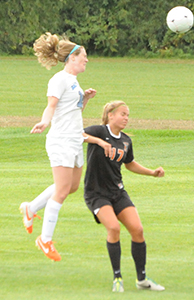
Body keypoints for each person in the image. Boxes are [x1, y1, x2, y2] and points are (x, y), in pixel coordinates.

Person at [19, 32, 111, 262]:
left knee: (70, 187)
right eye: (84, 56)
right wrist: (44, 121)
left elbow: (71, 111)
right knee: (61, 191)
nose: (87, 60)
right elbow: (51, 106)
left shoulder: (73, 81)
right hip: (60, 140)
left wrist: (86, 99)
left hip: (74, 139)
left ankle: (31, 208)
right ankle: (45, 240)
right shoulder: (59, 79)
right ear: (72, 58)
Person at [83, 100, 165, 292]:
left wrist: (152, 172)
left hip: (117, 192)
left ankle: (142, 280)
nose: (126, 118)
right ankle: (117, 277)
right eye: (123, 114)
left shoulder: (126, 140)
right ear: (110, 115)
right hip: (96, 193)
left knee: (137, 229)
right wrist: (99, 141)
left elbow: (130, 164)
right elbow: (76, 134)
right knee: (113, 228)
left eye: (128, 115)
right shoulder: (99, 131)